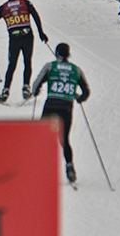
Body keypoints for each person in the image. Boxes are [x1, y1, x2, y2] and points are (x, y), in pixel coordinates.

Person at [31, 42, 90, 184]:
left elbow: (36, 85)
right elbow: (86, 91)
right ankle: (70, 167)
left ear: (56, 53)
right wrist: (79, 98)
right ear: (68, 55)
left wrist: (36, 91)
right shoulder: (76, 70)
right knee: (64, 139)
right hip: (66, 107)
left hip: (51, 105)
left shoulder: (50, 66)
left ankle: (38, 169)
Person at [0, 0, 48, 103]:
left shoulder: (4, 7)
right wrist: (41, 32)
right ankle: (26, 88)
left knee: (12, 65)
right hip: (27, 36)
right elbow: (36, 16)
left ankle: (6, 90)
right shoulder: (26, 3)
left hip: (14, 39)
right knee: (27, 62)